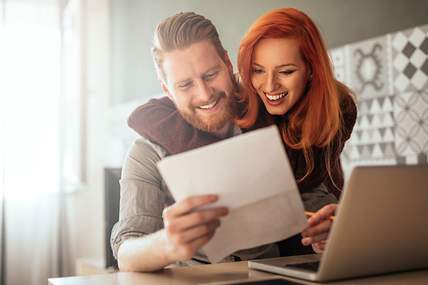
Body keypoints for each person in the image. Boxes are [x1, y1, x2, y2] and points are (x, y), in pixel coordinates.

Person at [111, 11, 342, 273]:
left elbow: (315, 200)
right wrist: (168, 244)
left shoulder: (270, 118)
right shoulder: (146, 152)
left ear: (227, 63)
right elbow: (126, 253)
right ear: (166, 90)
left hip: (268, 275)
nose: (204, 94)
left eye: (210, 75)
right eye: (185, 84)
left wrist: (332, 227)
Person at [236, 7, 357, 251]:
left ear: (311, 69)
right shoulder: (239, 102)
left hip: (311, 219)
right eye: (258, 70)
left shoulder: (338, 107)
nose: (269, 85)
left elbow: (303, 181)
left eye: (286, 71)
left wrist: (339, 224)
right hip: (258, 232)